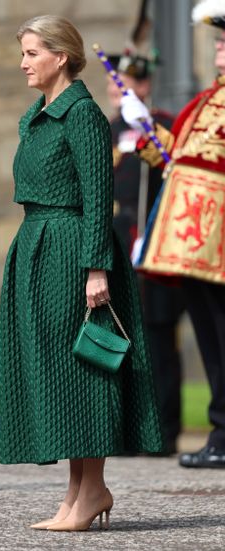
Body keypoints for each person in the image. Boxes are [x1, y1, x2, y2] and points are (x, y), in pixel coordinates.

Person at [0, 14, 162, 532]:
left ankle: (92, 492)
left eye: (32, 53)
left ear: (60, 56)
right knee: (60, 370)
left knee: (83, 370)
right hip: (39, 247)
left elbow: (97, 200)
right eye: (22, 53)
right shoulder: (38, 114)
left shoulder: (82, 115)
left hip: (72, 252)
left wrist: (95, 270)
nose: (23, 63)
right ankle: (79, 491)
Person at [120, 0, 225, 468]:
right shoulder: (205, 101)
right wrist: (147, 133)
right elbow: (177, 161)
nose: (219, 49)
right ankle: (221, 431)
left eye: (224, 42)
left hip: (219, 243)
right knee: (211, 340)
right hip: (190, 245)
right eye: (219, 41)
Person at [106, 52, 185, 455]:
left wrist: (147, 126)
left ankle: (164, 430)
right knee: (119, 337)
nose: (123, 90)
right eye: (120, 82)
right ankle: (126, 430)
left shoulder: (162, 126)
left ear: (145, 85)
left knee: (157, 337)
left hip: (154, 240)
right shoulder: (107, 128)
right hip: (118, 236)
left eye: (133, 83)